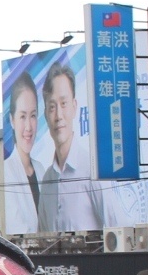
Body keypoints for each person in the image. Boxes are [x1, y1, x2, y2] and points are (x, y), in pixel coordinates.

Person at [36, 64, 105, 233]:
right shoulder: (47, 181)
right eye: (52, 107)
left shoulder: (93, 170)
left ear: (74, 107)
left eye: (64, 104)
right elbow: (43, 238)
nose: (58, 116)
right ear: (45, 114)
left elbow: (118, 230)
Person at [2, 73, 42, 234]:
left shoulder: (42, 170)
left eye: (32, 116)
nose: (28, 127)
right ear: (12, 120)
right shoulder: (7, 171)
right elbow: (17, 227)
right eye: (22, 116)